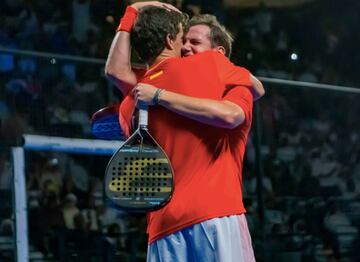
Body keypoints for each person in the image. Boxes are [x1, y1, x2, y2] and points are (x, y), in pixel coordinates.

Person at [105, 2, 258, 261]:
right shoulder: (212, 68)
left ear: (218, 51)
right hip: (213, 216)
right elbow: (256, 89)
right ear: (170, 39)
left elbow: (115, 70)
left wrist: (132, 11)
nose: (186, 47)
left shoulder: (137, 94)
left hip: (163, 228)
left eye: (195, 42)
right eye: (183, 38)